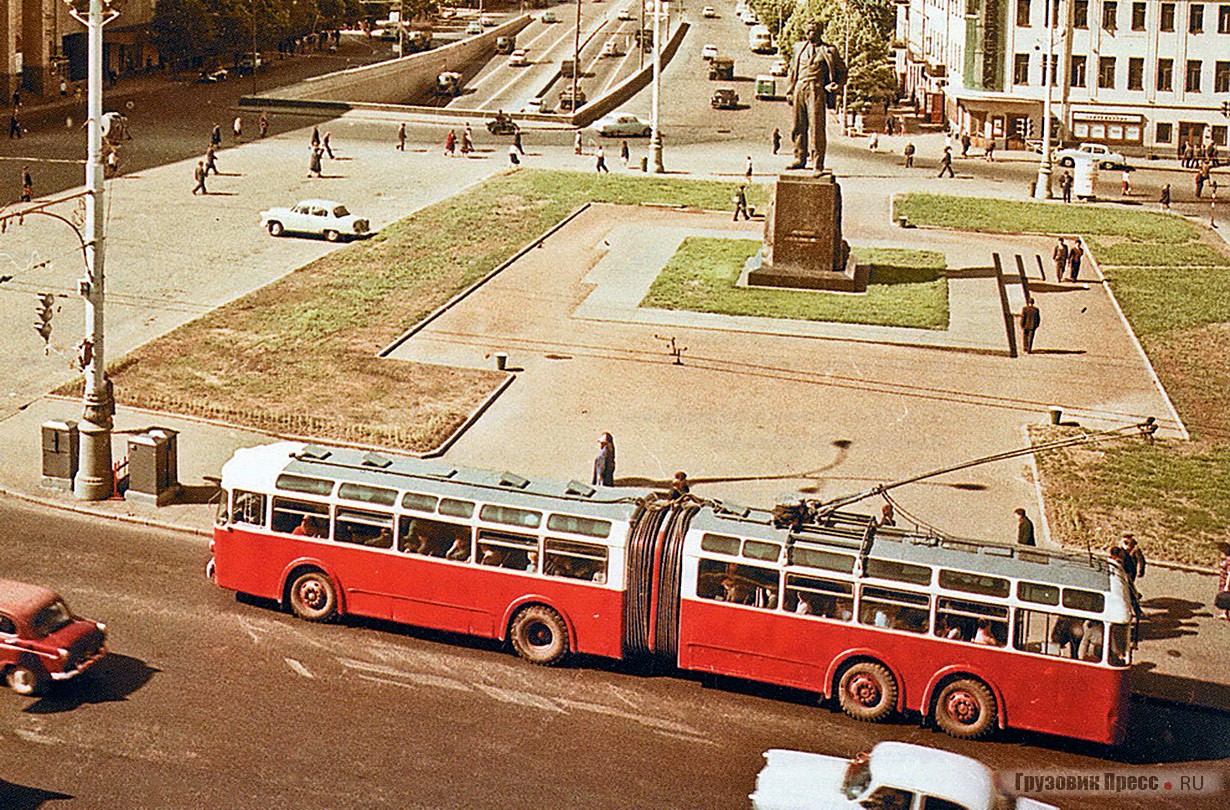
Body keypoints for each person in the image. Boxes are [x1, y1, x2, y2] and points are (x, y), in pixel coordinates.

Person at [785, 19, 847, 175]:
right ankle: (799, 157)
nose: (808, 33)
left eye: (812, 30)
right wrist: (789, 90)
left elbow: (842, 71)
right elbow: (793, 70)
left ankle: (817, 164)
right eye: (807, 30)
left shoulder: (829, 50)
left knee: (816, 129)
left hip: (816, 90)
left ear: (819, 32)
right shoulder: (798, 48)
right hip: (800, 88)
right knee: (798, 126)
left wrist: (837, 85)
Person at [1214, 542, 1230, 621]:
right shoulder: (1226, 559)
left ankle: (1226, 613)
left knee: (1227, 596)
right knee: (1227, 598)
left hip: (1227, 581)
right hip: (1224, 580)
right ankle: (1226, 613)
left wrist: (1227, 585)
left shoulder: (1229, 560)